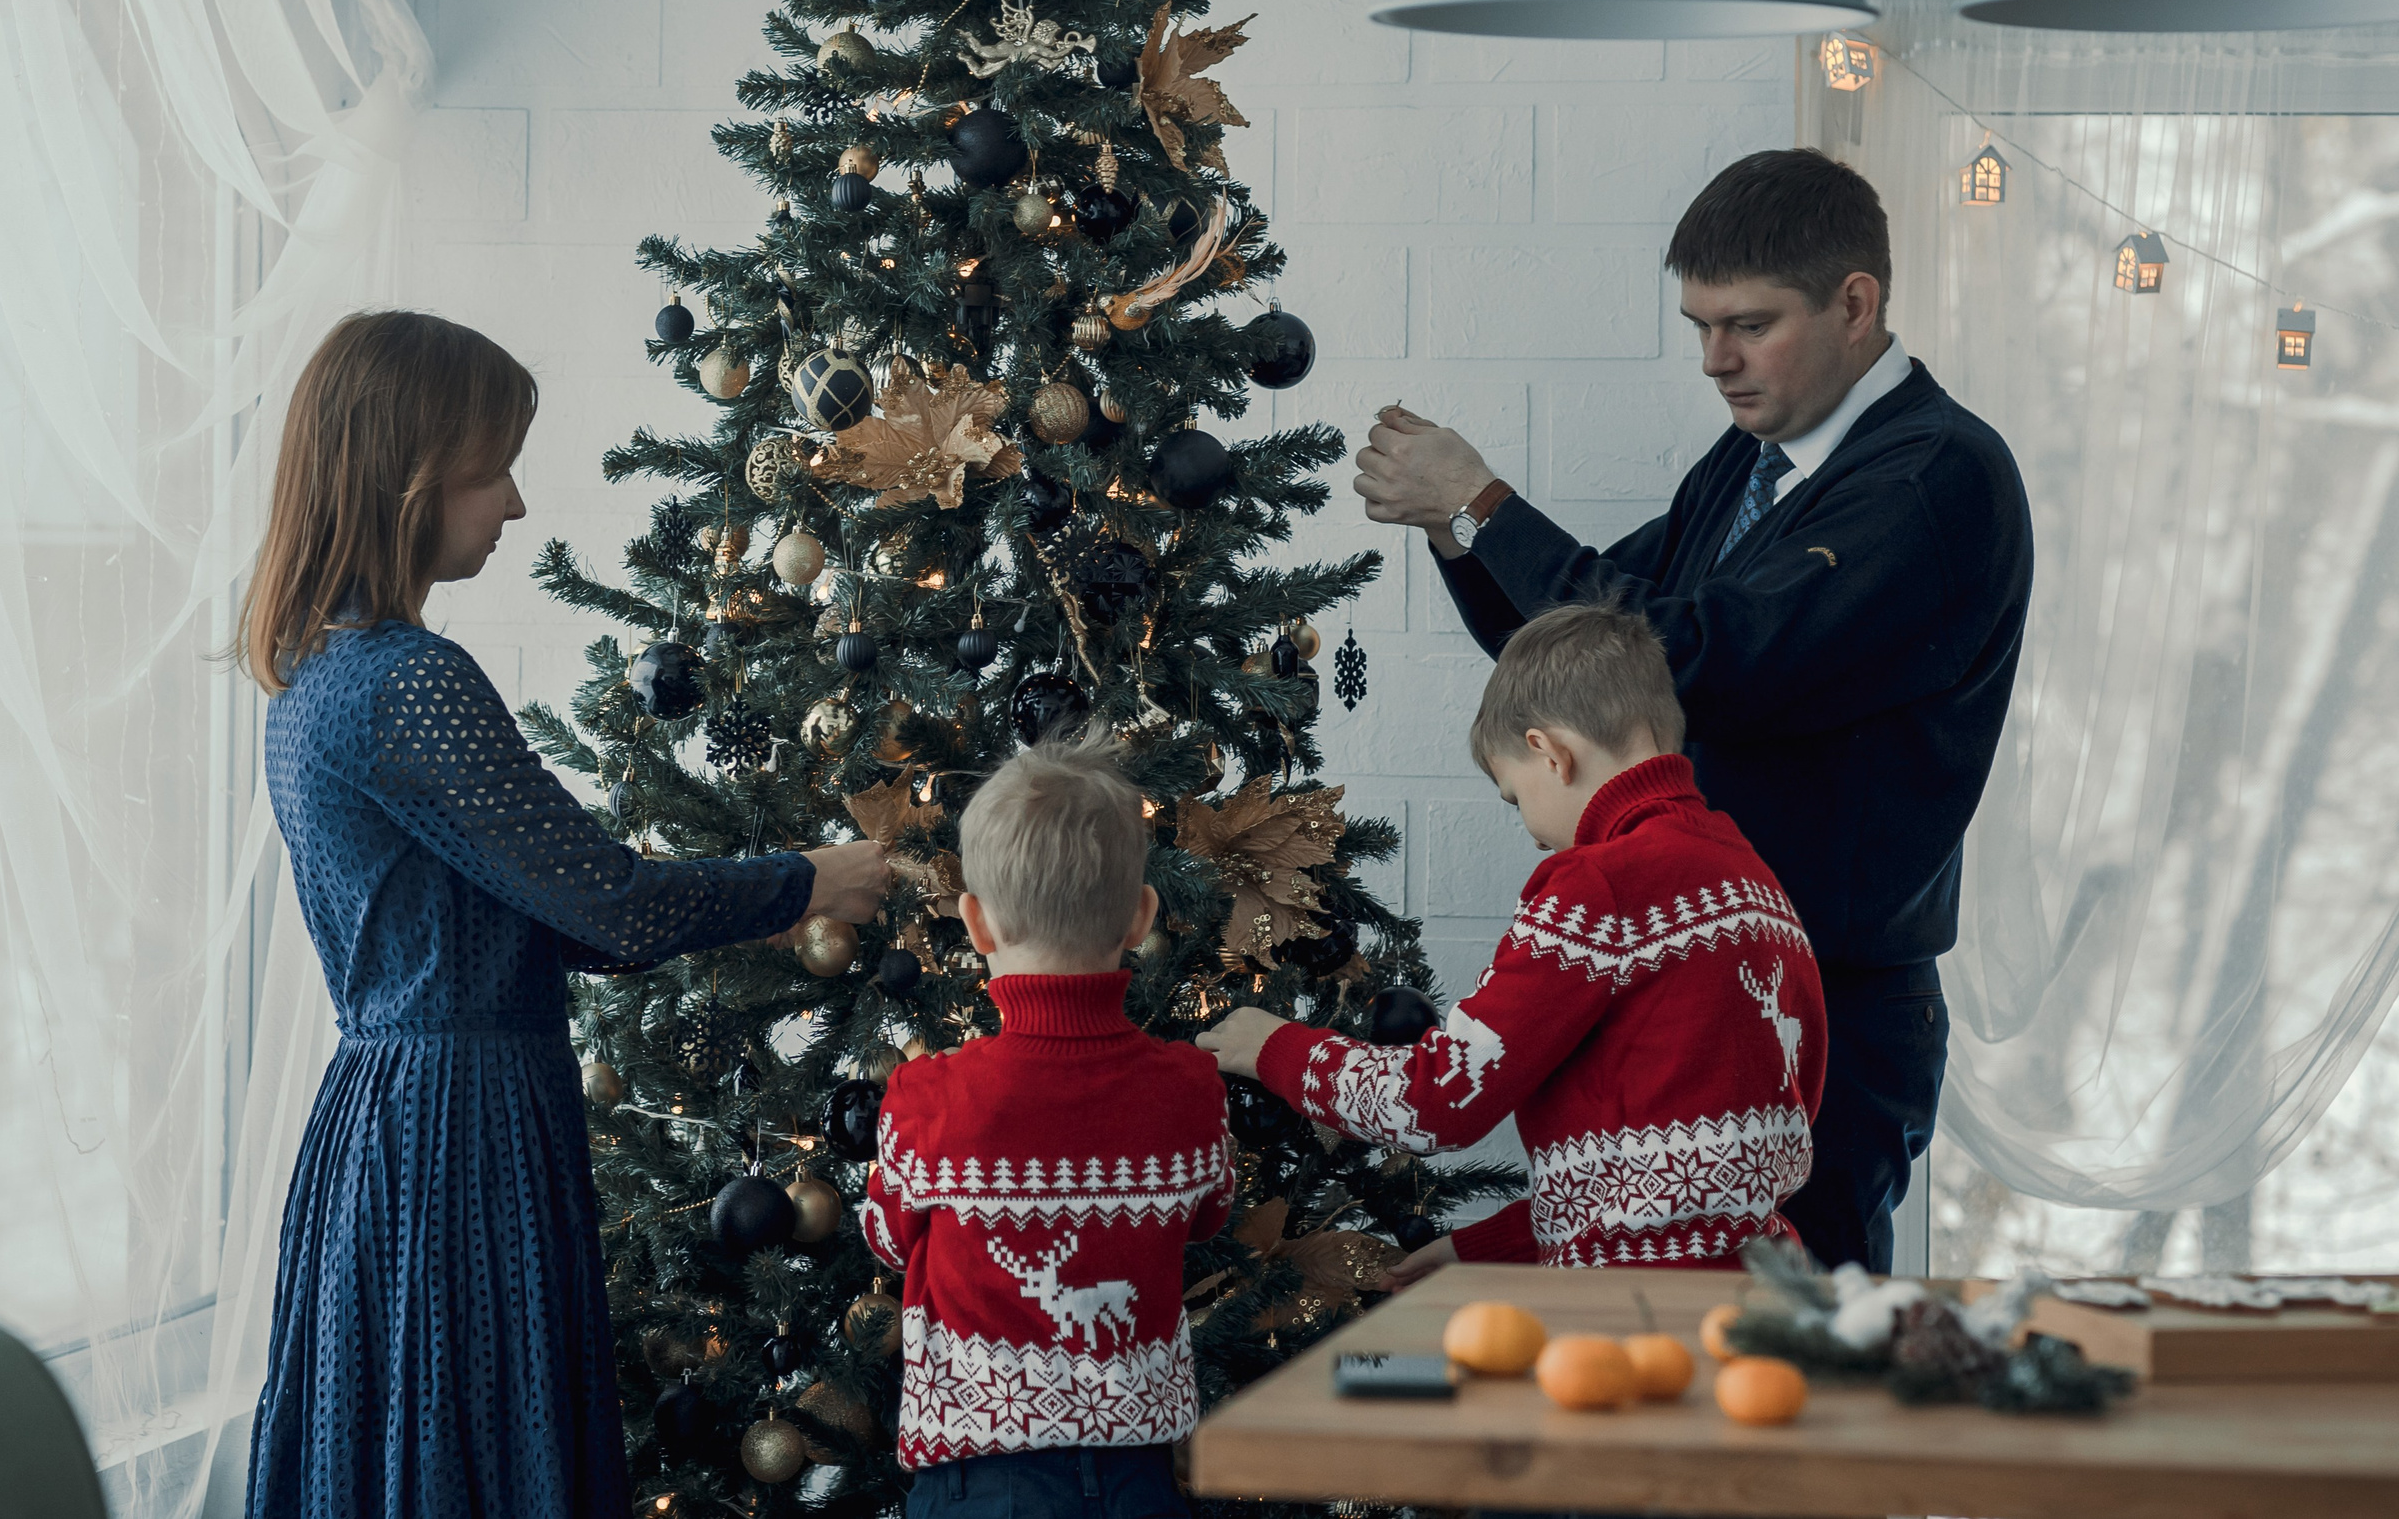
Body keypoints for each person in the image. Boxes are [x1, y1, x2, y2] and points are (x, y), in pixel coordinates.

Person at [237, 310, 890, 1518]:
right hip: (459, 1134)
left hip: (394, 1118)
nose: (515, 504)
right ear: (409, 479)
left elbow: (569, 922)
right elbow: (610, 905)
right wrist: (808, 880)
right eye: (490, 472)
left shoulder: (315, 671)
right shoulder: (408, 681)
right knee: (478, 1449)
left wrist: (752, 900)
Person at [1351, 149, 2033, 1271]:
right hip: (1703, 981)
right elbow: (1595, 657)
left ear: (1855, 303)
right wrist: (1456, 532)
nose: (1716, 361)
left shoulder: (1933, 480)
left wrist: (1486, 507)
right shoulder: (1753, 459)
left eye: (1749, 325)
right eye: (1701, 327)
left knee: (1793, 1339)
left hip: (1824, 1001)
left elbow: (1708, 663)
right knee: (1660, 1328)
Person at [1198, 604, 1825, 1277]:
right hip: (1764, 1290)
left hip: (1629, 1306)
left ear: (1550, 754)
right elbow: (1694, 1172)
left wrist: (1275, 1047)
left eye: (1514, 797)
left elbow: (1436, 1101)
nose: (1531, 833)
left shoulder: (1597, 888)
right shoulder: (1754, 885)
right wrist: (1483, 1246)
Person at [859, 733, 1231, 1519]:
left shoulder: (927, 1097)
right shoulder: (1191, 1088)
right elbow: (1210, 1213)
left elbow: (888, 1239)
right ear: (1140, 916)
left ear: (975, 923)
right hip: (1138, 1480)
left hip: (978, 1485)